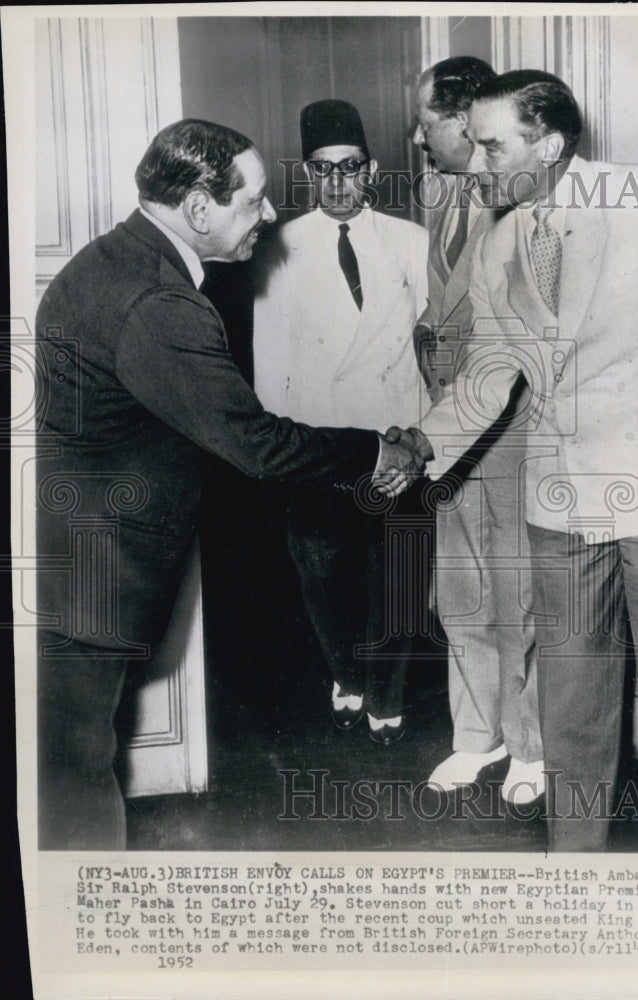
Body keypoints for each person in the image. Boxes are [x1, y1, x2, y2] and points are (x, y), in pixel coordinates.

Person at [35, 119, 424, 850]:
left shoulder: (113, 259)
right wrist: (376, 449)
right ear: (200, 209)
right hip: (93, 570)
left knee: (67, 761)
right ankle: (74, 935)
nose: (270, 216)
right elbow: (254, 443)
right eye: (254, 202)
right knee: (73, 778)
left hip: (71, 555)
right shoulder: (160, 303)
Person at [404, 70, 638, 851]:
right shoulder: (503, 239)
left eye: (490, 146)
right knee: (570, 708)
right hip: (559, 503)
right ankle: (576, 873)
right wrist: (412, 449)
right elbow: (490, 370)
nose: (474, 165)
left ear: (546, 144)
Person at [254, 100, 429, 744]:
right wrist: (282, 458)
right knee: (324, 573)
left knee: (398, 578)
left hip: (397, 441)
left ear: (371, 170)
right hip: (321, 444)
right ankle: (346, 676)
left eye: (349, 168)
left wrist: (419, 437)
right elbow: (270, 364)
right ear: (307, 175)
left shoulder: (411, 241)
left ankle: (387, 693)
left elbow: (432, 351)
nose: (336, 183)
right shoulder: (278, 247)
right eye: (322, 171)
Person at [412, 57, 544, 802]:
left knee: (518, 593)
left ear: (461, 120)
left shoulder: (520, 204)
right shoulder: (439, 191)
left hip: (513, 427)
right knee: (457, 590)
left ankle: (530, 748)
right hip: (450, 423)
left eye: (425, 119)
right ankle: (477, 735)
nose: (418, 135)